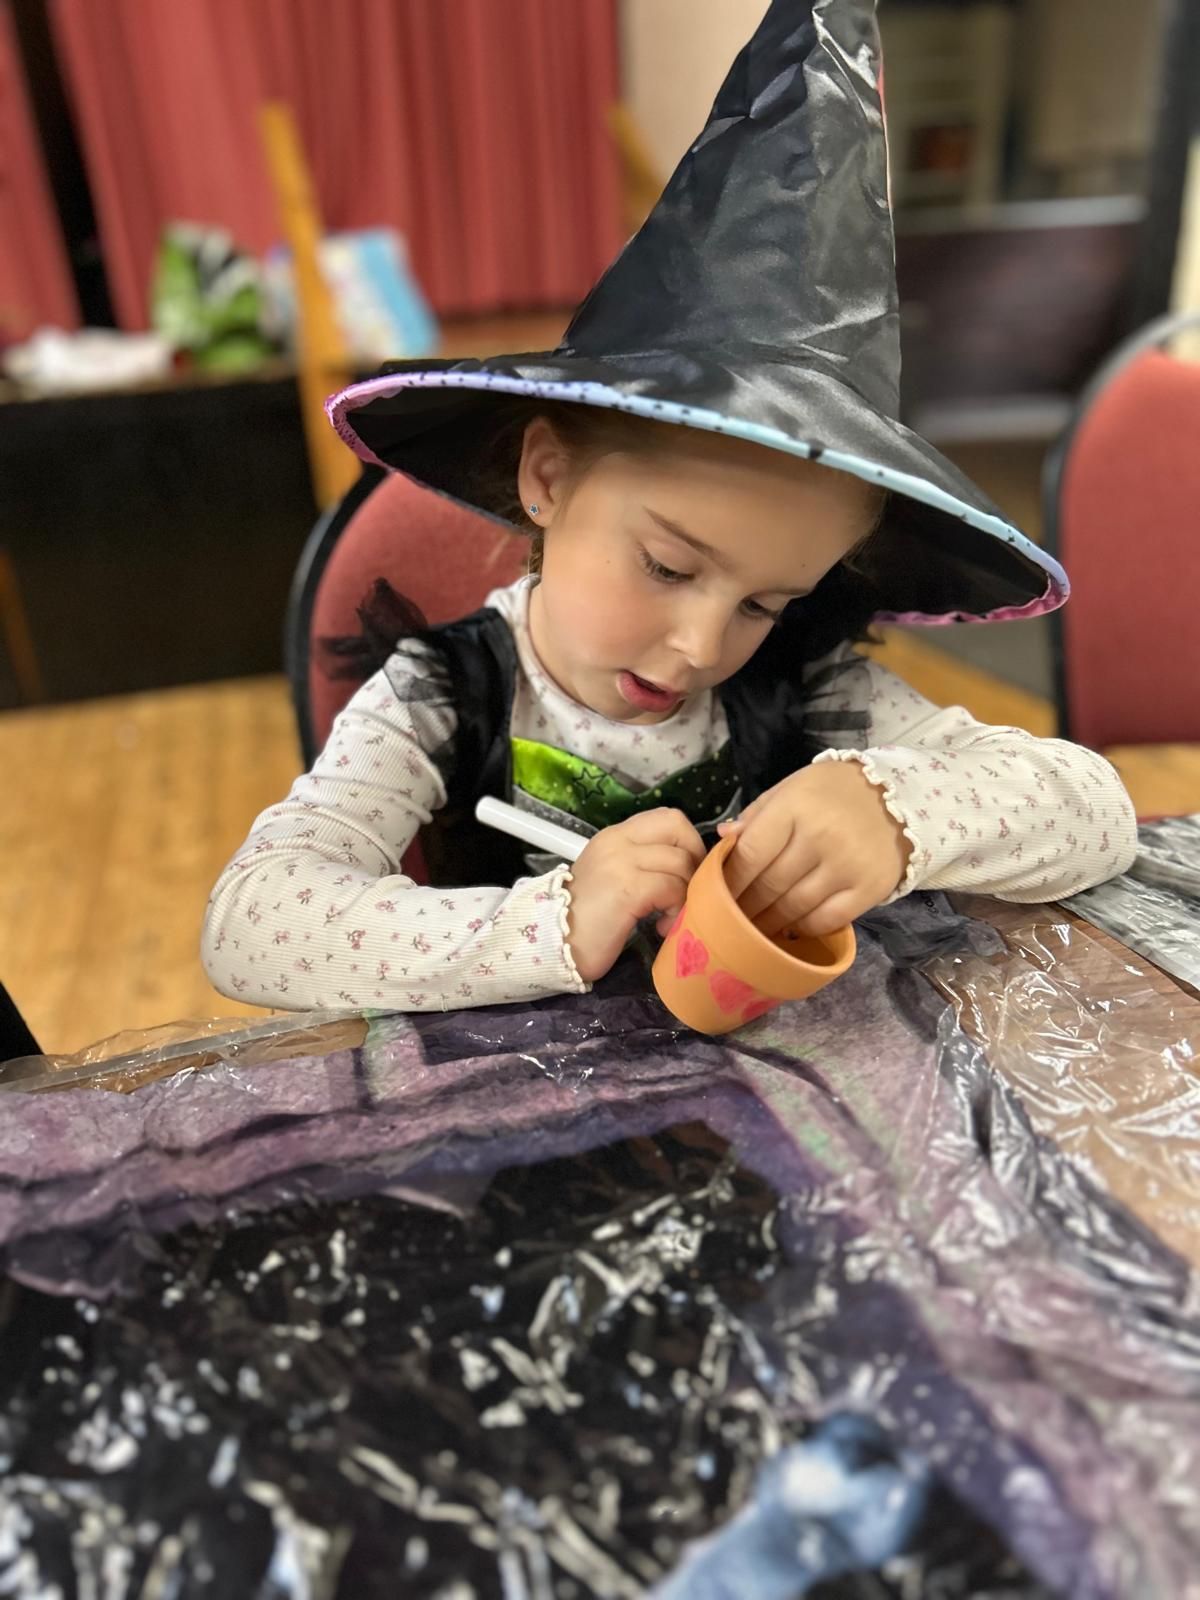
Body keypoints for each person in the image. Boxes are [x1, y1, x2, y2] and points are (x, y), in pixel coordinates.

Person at [202, 0, 1136, 1014]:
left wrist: (898, 810)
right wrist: (555, 918)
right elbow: (250, 924)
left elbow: (1100, 812)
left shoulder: (805, 690)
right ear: (548, 478)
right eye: (669, 566)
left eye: (763, 603)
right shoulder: (445, 695)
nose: (699, 645)